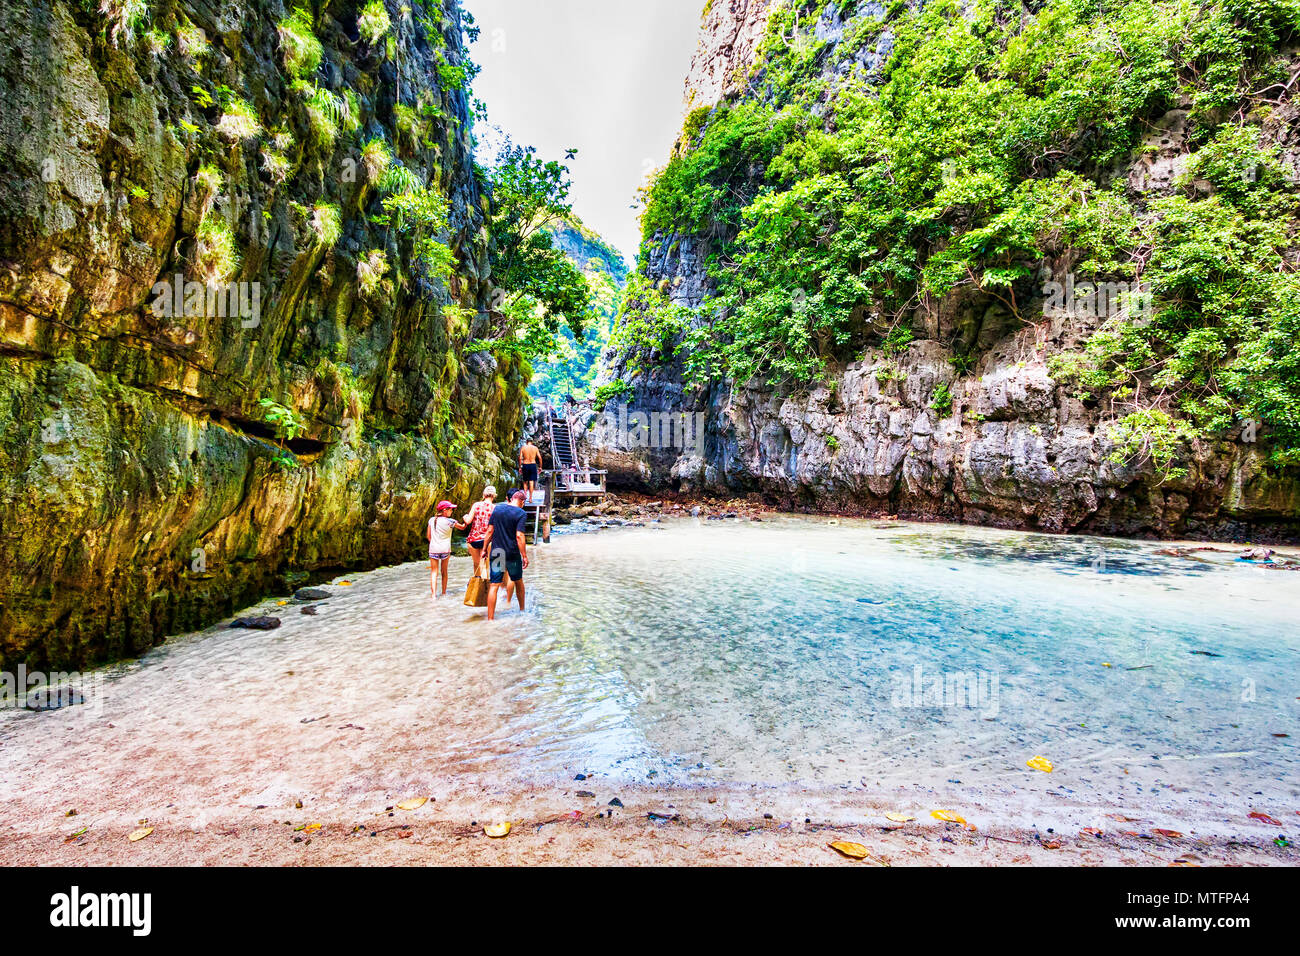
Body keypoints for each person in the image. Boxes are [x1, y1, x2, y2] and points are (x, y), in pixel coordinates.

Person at [482, 489, 529, 620]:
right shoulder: (521, 513)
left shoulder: (497, 510)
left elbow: (490, 531)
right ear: (522, 501)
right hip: (512, 553)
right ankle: (522, 612)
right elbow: (519, 536)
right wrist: (524, 555)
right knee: (518, 582)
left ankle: (490, 619)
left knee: (494, 585)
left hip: (497, 552)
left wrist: (484, 549)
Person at [427, 500, 464, 597]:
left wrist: (434, 543)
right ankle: (443, 593)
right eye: (451, 509)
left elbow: (428, 536)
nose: (452, 511)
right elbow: (463, 527)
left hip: (433, 549)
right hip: (445, 549)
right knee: (444, 572)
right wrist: (466, 519)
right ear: (445, 510)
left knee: (434, 572)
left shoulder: (431, 520)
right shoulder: (451, 521)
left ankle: (434, 595)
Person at [463, 486, 496, 577]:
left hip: (474, 539)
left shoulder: (476, 505)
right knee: (486, 564)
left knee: (476, 564)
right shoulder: (494, 508)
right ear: (494, 496)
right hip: (487, 540)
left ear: (483, 495)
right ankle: (486, 586)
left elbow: (468, 521)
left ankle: (477, 584)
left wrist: (465, 517)